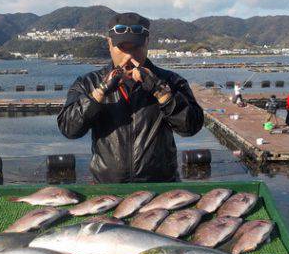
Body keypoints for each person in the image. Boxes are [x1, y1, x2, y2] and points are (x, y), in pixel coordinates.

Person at [57, 12, 204, 183]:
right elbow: (69, 129)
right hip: (108, 188)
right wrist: (100, 92)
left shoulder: (171, 81)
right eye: (123, 48)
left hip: (161, 187)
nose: (129, 56)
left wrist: (161, 92)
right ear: (109, 44)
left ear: (147, 43)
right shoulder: (88, 83)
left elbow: (191, 127)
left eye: (136, 47)